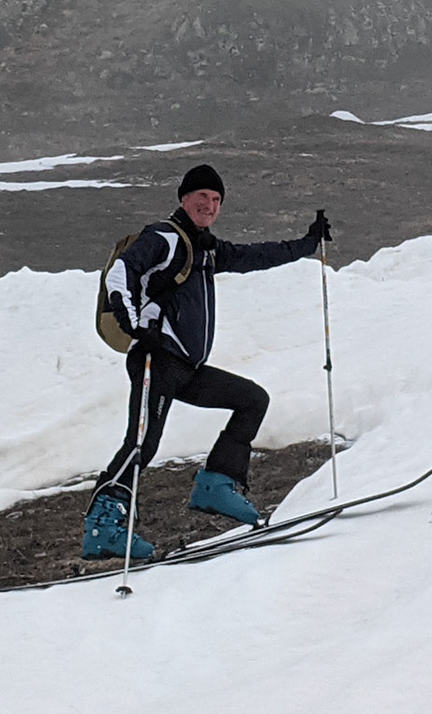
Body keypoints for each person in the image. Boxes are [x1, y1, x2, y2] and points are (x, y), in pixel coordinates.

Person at [82, 162, 331, 561]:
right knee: (142, 444)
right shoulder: (164, 237)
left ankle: (215, 486)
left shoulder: (206, 249)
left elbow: (256, 255)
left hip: (186, 369)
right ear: (184, 198)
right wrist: (134, 325)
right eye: (203, 196)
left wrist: (307, 243)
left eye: (217, 199)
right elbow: (121, 273)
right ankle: (103, 527)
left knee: (252, 400)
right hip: (156, 360)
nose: (210, 205)